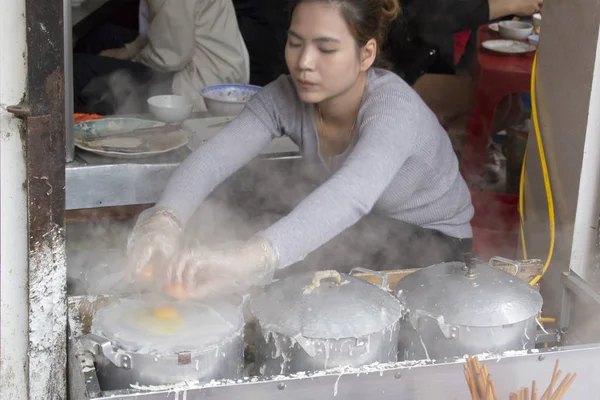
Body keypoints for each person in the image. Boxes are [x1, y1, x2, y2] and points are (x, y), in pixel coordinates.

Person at [126, 0, 474, 299]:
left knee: (286, 263)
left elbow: (351, 194)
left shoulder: (393, 108)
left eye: (325, 49)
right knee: (234, 201)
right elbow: (212, 160)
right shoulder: (286, 94)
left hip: (434, 246)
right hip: (363, 228)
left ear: (366, 54)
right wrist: (163, 221)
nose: (305, 62)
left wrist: (252, 258)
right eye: (295, 43)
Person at [73, 0, 250, 115]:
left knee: (77, 69)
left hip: (200, 80)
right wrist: (125, 51)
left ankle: (78, 133)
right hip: (198, 57)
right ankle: (87, 113)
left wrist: (128, 61)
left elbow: (170, 57)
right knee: (102, 35)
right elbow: (163, 29)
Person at [386, 0, 544, 84]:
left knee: (507, 104)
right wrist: (509, 5)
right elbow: (429, 15)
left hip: (434, 64)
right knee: (487, 99)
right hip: (400, 76)